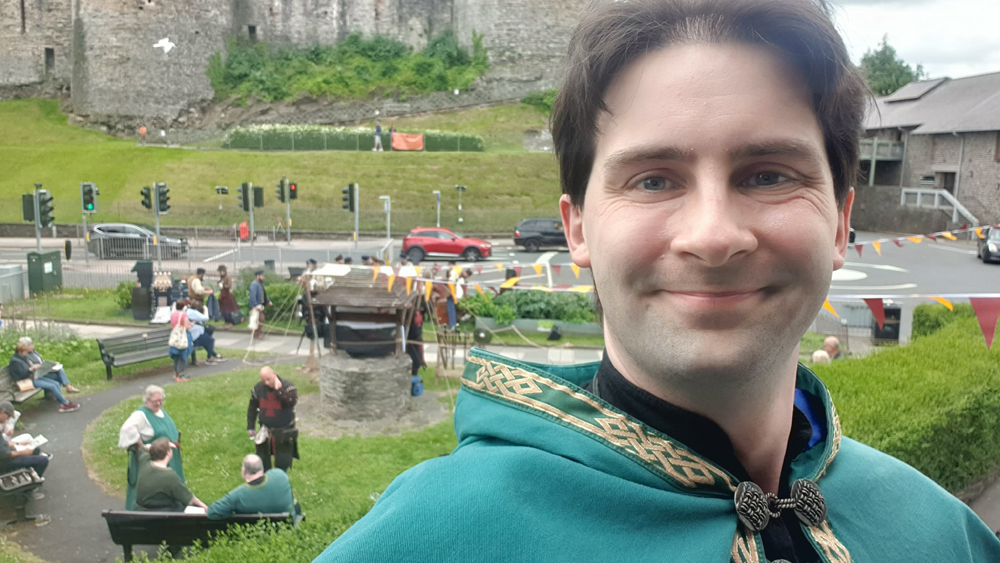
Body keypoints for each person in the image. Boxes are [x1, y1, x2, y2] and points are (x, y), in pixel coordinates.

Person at [315, 1, 1000, 562]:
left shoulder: (944, 536)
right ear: (577, 227)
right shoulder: (429, 543)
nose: (711, 235)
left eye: (768, 174)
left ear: (842, 221)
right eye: (653, 179)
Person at [118, 385, 185, 511]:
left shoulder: (160, 411)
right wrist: (143, 447)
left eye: (161, 400)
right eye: (155, 401)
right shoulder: (141, 415)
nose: (159, 403)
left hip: (169, 457)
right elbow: (126, 429)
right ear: (147, 400)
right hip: (153, 461)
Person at [206, 454, 295, 520]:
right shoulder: (280, 475)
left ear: (244, 471)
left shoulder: (237, 496)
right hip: (287, 530)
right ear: (262, 468)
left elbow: (212, 512)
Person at [134, 438, 207, 512]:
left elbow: (144, 448)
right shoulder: (170, 477)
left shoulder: (144, 462)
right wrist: (204, 507)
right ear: (168, 453)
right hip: (164, 517)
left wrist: (157, 446)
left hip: (141, 514)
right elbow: (189, 499)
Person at [248, 367, 298, 472]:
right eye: (263, 380)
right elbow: (252, 408)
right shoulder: (258, 388)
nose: (266, 383)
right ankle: (265, 482)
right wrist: (250, 426)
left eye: (268, 379)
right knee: (262, 460)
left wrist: (279, 390)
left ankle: (280, 482)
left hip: (284, 430)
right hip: (265, 429)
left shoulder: (287, 386)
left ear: (274, 375)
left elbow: (291, 401)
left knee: (283, 462)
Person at [8, 340, 80, 413]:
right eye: (25, 352)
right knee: (52, 386)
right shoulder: (15, 361)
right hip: (26, 381)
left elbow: (27, 369)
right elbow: (21, 375)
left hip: (33, 377)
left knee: (56, 383)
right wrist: (31, 369)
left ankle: (61, 401)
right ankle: (65, 403)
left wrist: (35, 368)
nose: (27, 353)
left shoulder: (22, 357)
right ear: (20, 351)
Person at [0, 401, 48, 498]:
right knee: (43, 461)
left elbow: (3, 444)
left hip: (5, 455)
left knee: (35, 450)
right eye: (8, 416)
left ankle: (30, 472)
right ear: (2, 412)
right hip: (4, 462)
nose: (8, 419)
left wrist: (19, 444)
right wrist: (22, 452)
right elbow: (3, 455)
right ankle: (28, 490)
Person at [169, 300, 194, 382]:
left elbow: (172, 324)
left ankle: (176, 372)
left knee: (176, 356)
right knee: (183, 355)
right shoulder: (184, 315)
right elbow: (187, 327)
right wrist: (191, 324)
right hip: (183, 336)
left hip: (175, 336)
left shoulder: (173, 314)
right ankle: (181, 374)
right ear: (184, 307)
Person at [248, 271, 271, 340]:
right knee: (258, 319)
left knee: (260, 320)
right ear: (257, 276)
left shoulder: (261, 284)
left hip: (261, 305)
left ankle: (257, 333)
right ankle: (256, 334)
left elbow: (264, 294)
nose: (263, 277)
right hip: (256, 305)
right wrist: (255, 305)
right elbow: (253, 296)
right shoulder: (254, 284)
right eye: (262, 276)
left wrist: (268, 301)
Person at [217, 265, 240, 329]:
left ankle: (229, 323)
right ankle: (226, 322)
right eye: (220, 271)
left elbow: (229, 286)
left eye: (221, 271)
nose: (220, 273)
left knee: (228, 311)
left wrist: (223, 286)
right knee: (224, 311)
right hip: (223, 295)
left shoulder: (227, 277)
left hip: (227, 295)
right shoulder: (222, 277)